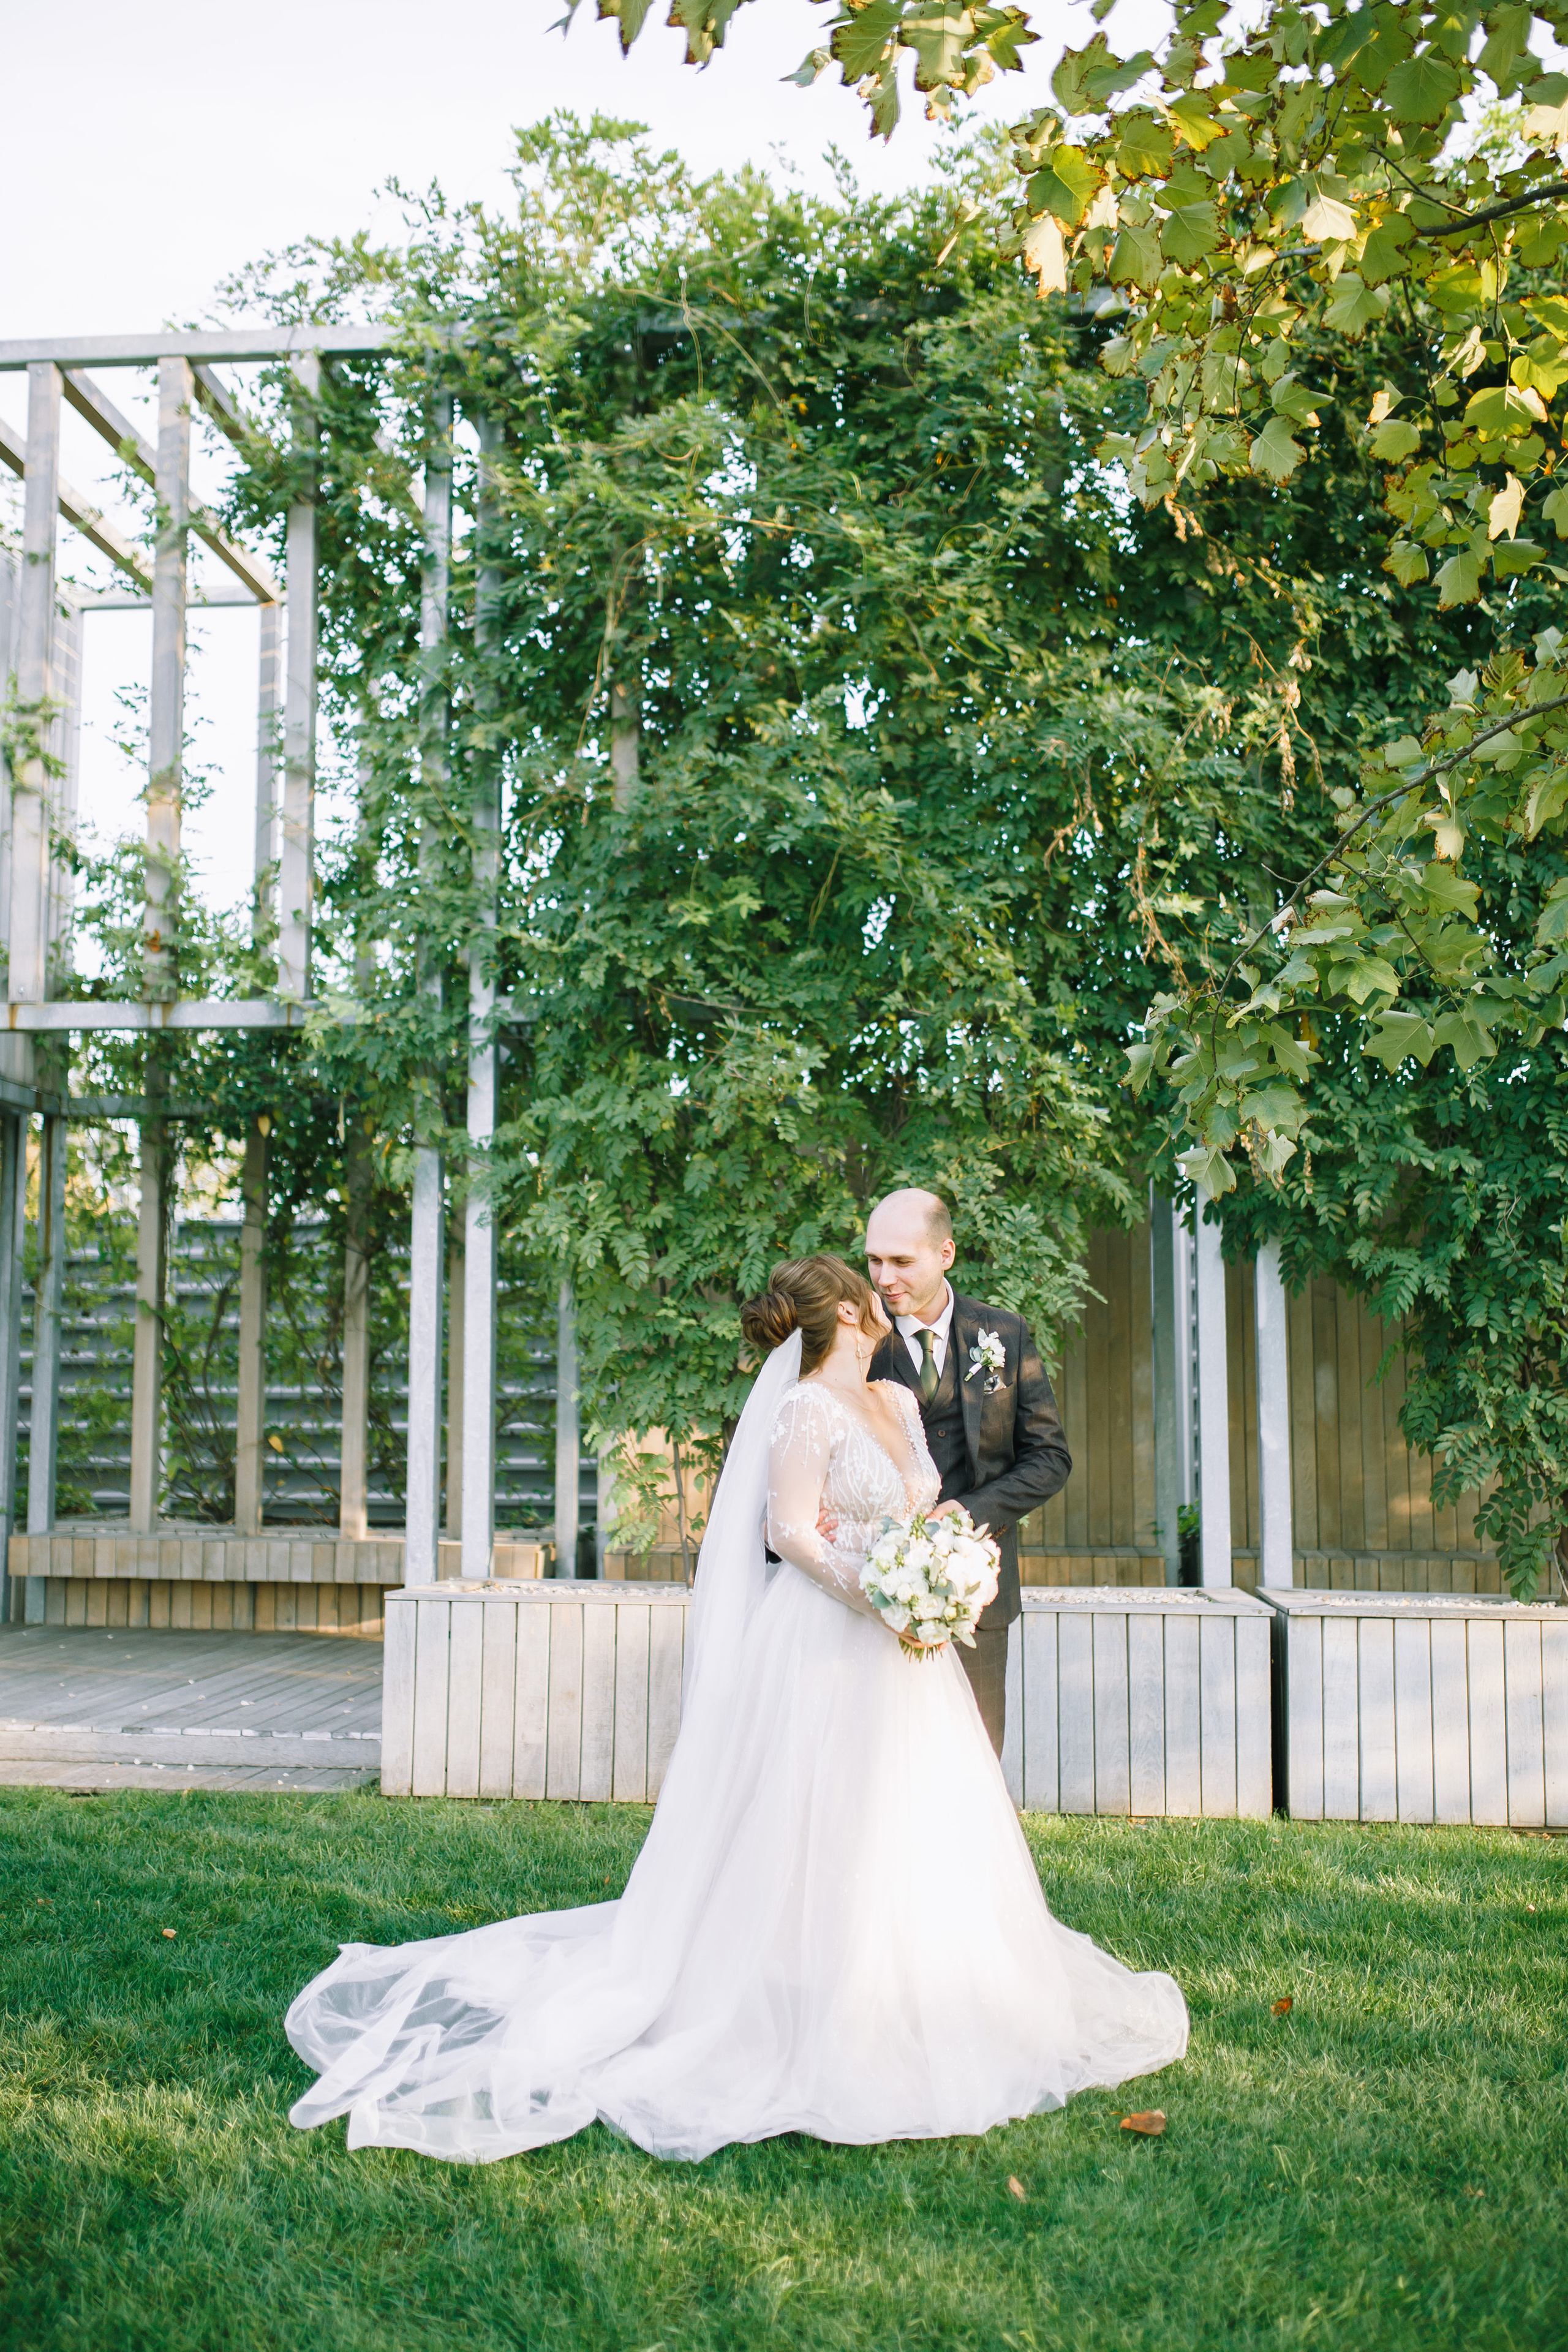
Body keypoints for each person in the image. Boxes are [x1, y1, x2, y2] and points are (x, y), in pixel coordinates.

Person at [284, 1255, 1186, 2165]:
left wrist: (938, 1577)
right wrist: (879, 1596)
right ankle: (800, 1988)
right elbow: (787, 1531)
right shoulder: (804, 1409)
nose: (880, 1292)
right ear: (844, 1311)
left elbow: (922, 1509)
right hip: (829, 1636)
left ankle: (928, 1984)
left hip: (908, 1649)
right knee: (816, 1811)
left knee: (912, 1813)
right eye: (864, 1284)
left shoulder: (899, 1401)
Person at [862, 1189, 1071, 1757]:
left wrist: (971, 1511)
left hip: (975, 1596)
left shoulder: (1003, 1334)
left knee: (973, 1759)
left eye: (902, 1261)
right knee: (883, 1762)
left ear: (946, 1253)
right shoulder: (855, 1335)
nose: (884, 1278)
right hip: (870, 1592)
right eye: (874, 1260)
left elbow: (1050, 1458)